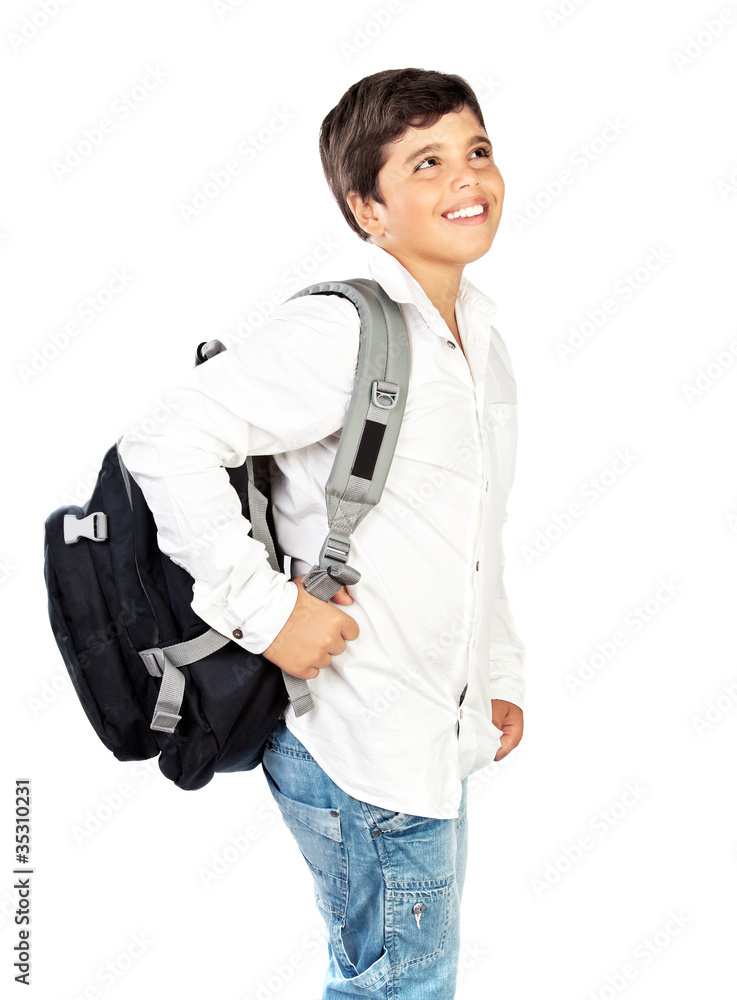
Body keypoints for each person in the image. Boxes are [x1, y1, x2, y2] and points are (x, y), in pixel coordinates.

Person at [118, 67, 525, 999]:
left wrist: (495, 674)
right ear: (366, 209)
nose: (466, 176)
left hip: (423, 729)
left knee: (395, 979)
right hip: (356, 733)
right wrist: (266, 614)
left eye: (475, 150)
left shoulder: (479, 340)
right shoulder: (340, 331)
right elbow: (164, 440)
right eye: (425, 163)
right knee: (397, 987)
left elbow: (473, 539)